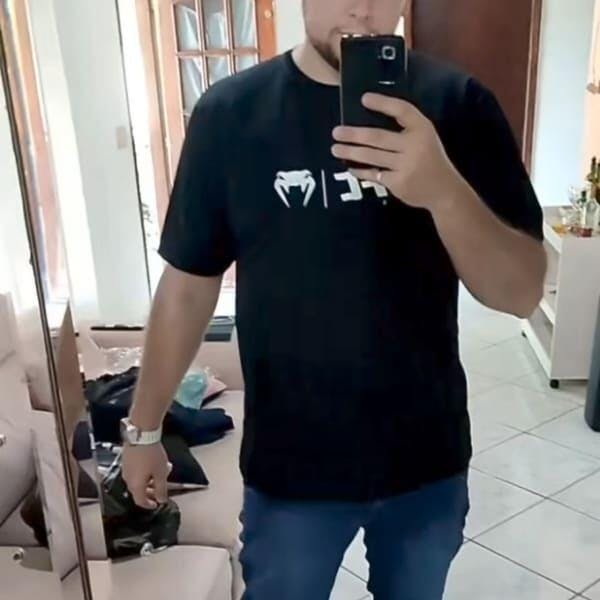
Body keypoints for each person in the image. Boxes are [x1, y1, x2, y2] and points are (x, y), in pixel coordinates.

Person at [121, 0, 546, 598]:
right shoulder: (230, 115)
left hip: (424, 463)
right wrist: (143, 430)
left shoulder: (460, 105)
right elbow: (188, 286)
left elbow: (522, 292)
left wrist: (444, 191)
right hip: (291, 470)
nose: (361, 9)